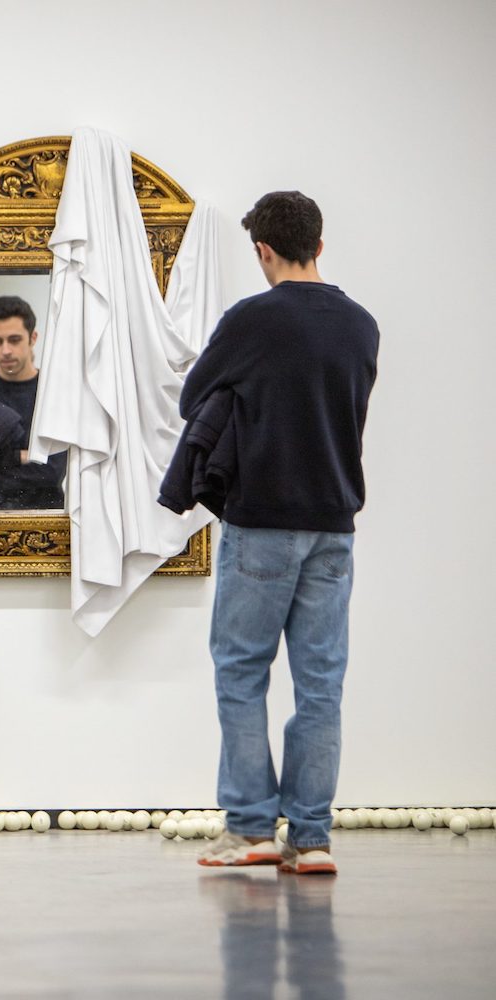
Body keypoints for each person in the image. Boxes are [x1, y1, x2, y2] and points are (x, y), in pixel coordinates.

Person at [182, 193, 379, 875]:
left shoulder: (252, 319)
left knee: (241, 673)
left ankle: (250, 830)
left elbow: (193, 398)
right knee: (321, 684)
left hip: (262, 523)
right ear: (319, 245)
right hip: (334, 527)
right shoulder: (361, 326)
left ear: (263, 250)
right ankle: (312, 839)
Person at [0, 295, 67, 509]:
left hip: (46, 515)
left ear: (33, 338)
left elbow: (52, 471)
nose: (6, 350)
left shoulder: (55, 392)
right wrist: (21, 457)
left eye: (15, 340)